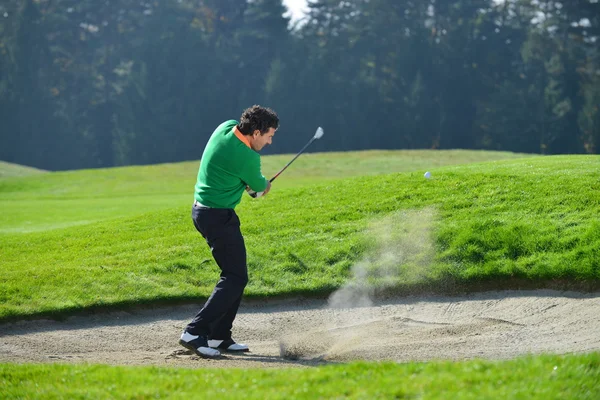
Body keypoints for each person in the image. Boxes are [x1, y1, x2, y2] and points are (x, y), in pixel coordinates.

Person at [179, 105, 278, 359]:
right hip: (217, 217)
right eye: (269, 136)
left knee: (236, 275)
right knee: (234, 277)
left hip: (203, 211)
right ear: (256, 132)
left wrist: (251, 185)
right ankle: (195, 331)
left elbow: (240, 178)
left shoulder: (225, 127)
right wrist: (263, 186)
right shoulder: (248, 158)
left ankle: (219, 335)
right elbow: (258, 189)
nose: (270, 142)